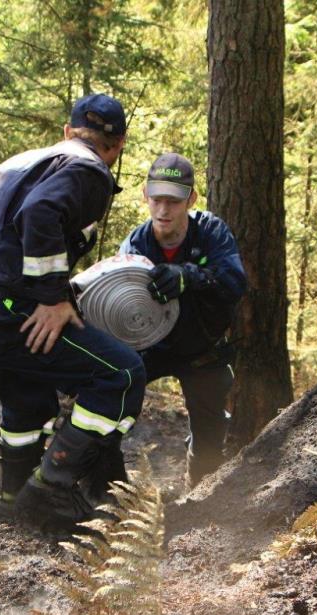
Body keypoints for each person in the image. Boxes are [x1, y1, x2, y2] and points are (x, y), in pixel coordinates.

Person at [0, 93, 146, 529]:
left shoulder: (19, 163)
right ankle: (49, 492)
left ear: (67, 131)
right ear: (119, 144)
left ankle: (8, 508)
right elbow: (41, 212)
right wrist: (52, 297)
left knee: (28, 402)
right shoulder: (89, 168)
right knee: (121, 374)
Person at [118, 153, 247, 489]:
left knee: (209, 437)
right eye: (157, 199)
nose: (163, 211)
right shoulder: (135, 244)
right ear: (145, 195)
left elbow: (235, 283)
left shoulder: (211, 233)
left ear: (190, 198)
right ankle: (106, 486)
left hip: (202, 347)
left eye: (173, 201)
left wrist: (190, 276)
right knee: (111, 400)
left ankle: (199, 501)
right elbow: (115, 305)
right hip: (149, 347)